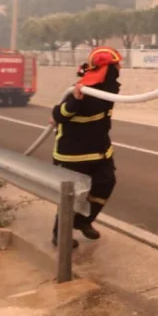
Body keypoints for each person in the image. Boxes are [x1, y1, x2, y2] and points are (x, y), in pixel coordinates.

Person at [50, 47, 122, 247]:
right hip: (73, 156)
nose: (119, 69)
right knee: (71, 195)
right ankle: (60, 234)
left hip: (100, 152)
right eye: (116, 66)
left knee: (106, 184)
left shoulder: (108, 90)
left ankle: (83, 221)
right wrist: (74, 101)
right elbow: (56, 116)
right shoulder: (82, 91)